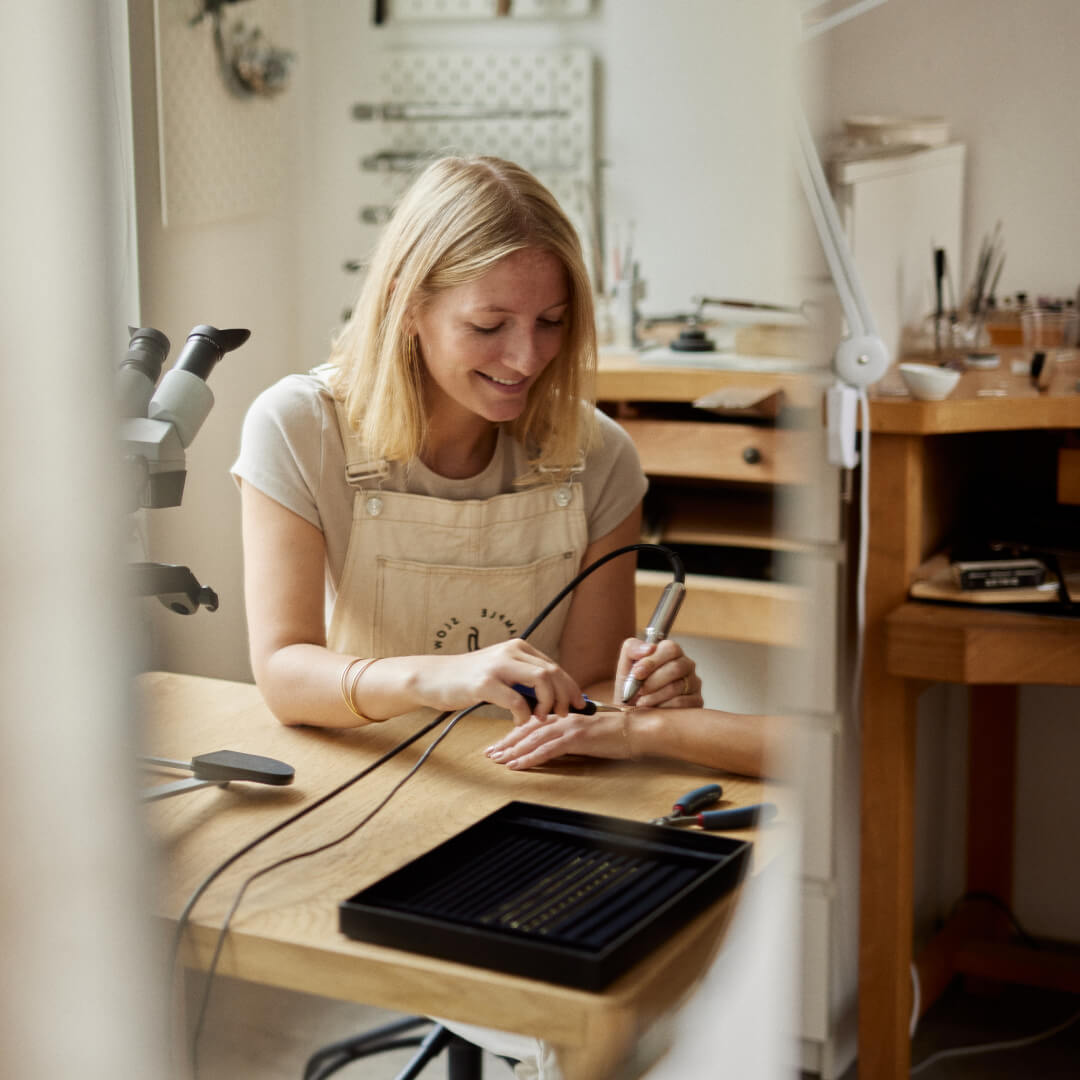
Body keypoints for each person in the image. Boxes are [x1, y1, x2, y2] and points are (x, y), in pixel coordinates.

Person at [231, 154, 702, 738]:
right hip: (363, 770)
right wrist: (440, 677)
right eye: (488, 326)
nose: (527, 358)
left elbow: (594, 686)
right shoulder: (300, 428)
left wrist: (646, 700)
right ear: (408, 306)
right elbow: (283, 675)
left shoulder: (600, 456)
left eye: (551, 322)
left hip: (532, 782)